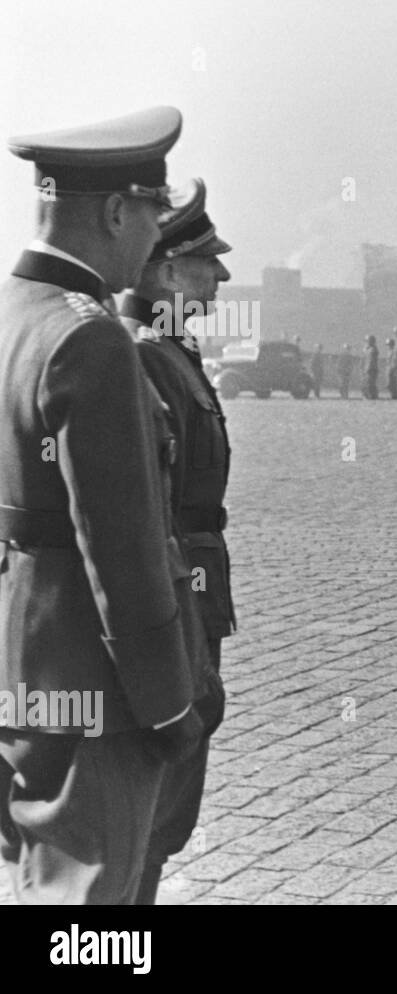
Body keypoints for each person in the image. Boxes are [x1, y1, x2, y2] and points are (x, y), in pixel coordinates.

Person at [0, 106, 209, 904]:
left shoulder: (12, 311)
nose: (157, 238)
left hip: (21, 667)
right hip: (98, 690)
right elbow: (123, 553)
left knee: (32, 886)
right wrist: (166, 705)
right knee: (88, 912)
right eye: (154, 215)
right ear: (117, 210)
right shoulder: (92, 338)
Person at [120, 177, 234, 903]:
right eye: (205, 262)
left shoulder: (169, 350)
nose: (221, 275)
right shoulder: (144, 357)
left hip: (195, 585)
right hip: (173, 594)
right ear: (164, 271)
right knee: (154, 799)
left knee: (168, 804)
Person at [363, 334, 379, 399]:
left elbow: (371, 360)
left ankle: (372, 396)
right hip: (369, 368)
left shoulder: (373, 349)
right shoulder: (370, 349)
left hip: (371, 369)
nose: (366, 343)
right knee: (368, 382)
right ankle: (370, 395)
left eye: (367, 341)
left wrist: (367, 369)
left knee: (370, 383)